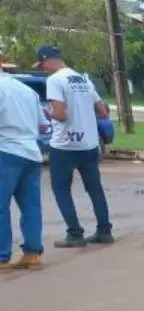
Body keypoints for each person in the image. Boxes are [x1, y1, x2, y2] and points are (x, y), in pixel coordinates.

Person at [36, 45, 114, 248]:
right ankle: (104, 230)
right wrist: (84, 116)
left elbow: (61, 115)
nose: (43, 69)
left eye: (42, 64)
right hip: (88, 144)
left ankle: (75, 233)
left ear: (47, 60)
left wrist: (47, 111)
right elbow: (103, 111)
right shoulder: (83, 79)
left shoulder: (55, 80)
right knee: (94, 189)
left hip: (65, 145)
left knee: (61, 189)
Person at [0, 68, 48, 271]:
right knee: (30, 206)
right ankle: (32, 253)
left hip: (5, 149)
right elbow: (43, 126)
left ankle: (2, 256)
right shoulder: (26, 90)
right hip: (31, 152)